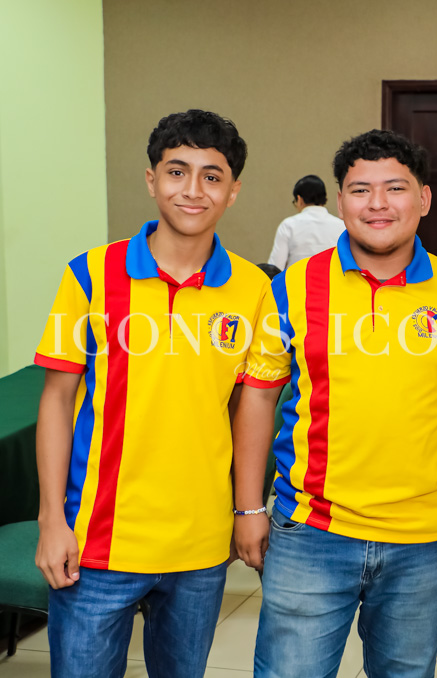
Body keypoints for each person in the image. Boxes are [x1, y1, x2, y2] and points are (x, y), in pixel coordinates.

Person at [32, 109, 286, 678]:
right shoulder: (91, 275)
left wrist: (246, 510)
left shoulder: (254, 290)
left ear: (233, 191)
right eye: (177, 172)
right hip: (97, 542)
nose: (193, 190)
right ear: (151, 180)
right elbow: (56, 401)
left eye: (212, 176)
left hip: (200, 547)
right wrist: (51, 521)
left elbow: (251, 409)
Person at [231, 129, 437, 678]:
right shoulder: (294, 286)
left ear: (423, 198)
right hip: (311, 532)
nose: (377, 204)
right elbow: (258, 397)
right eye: (360, 189)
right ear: (340, 202)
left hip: (425, 538)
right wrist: (248, 508)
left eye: (395, 187)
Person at [267, 174, 345, 269]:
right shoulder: (342, 226)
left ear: (299, 199)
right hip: (331, 278)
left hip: (297, 278)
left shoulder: (288, 225)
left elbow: (275, 267)